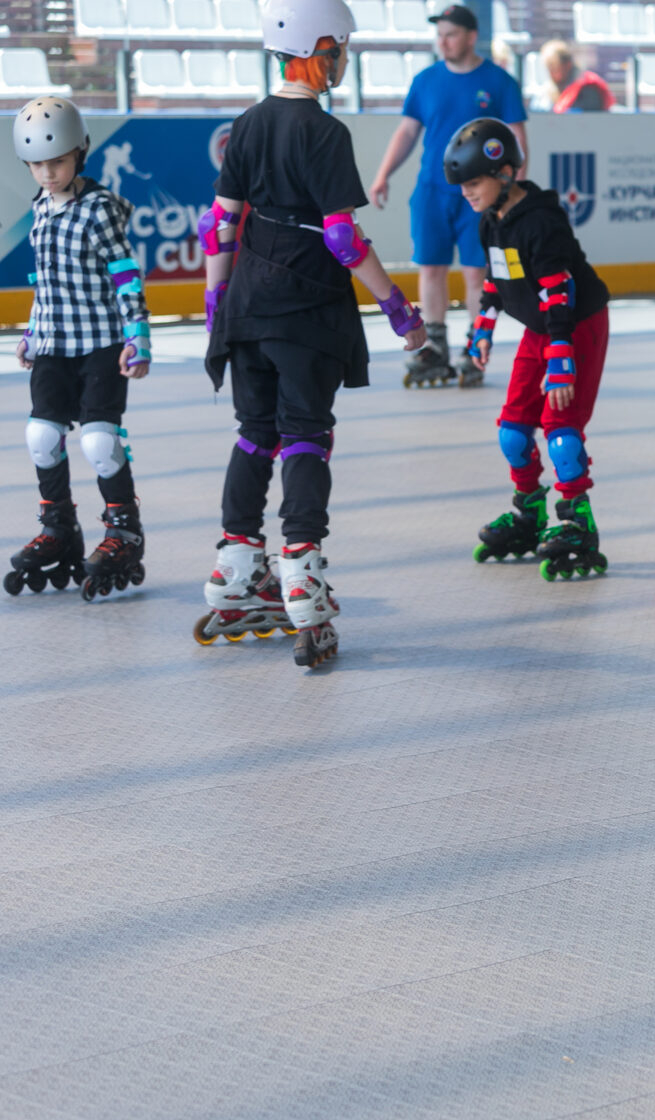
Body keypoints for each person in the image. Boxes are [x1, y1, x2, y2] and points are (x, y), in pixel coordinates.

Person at [197, 0, 427, 667]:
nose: (344, 62)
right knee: (304, 434)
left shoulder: (245, 125)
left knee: (253, 433)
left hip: (246, 305)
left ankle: (236, 570)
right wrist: (398, 311)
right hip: (306, 308)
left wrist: (217, 301)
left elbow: (220, 225)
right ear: (313, 50)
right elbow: (340, 236)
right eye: (340, 50)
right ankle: (301, 575)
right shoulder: (324, 134)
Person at [443, 118, 612, 581]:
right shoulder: (491, 222)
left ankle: (578, 519)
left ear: (504, 174)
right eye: (463, 185)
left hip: (575, 325)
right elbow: (501, 282)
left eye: (473, 183)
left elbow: (560, 291)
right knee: (513, 432)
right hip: (542, 329)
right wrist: (483, 328)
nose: (466, 193)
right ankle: (529, 512)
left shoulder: (541, 221)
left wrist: (561, 359)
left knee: (561, 430)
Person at [7, 95, 152, 602]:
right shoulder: (40, 208)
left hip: (100, 343)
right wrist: (31, 332)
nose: (48, 173)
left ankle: (124, 533)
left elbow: (125, 273)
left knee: (98, 441)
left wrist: (139, 334)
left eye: (58, 161)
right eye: (38, 164)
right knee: (41, 435)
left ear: (80, 154)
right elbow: (46, 282)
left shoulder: (99, 210)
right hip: (52, 341)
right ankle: (59, 527)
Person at [369, 4, 527, 387]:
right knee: (432, 268)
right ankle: (435, 347)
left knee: (477, 274)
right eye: (439, 34)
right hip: (432, 190)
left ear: (471, 37)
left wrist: (512, 194)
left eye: (451, 34)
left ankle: (476, 347)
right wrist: (383, 174)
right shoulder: (425, 81)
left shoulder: (499, 82)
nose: (443, 41)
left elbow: (517, 141)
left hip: (481, 195)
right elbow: (407, 132)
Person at [539, 39, 613, 112]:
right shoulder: (551, 91)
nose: (551, 74)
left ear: (567, 65)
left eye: (554, 69)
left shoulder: (588, 88)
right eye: (549, 69)